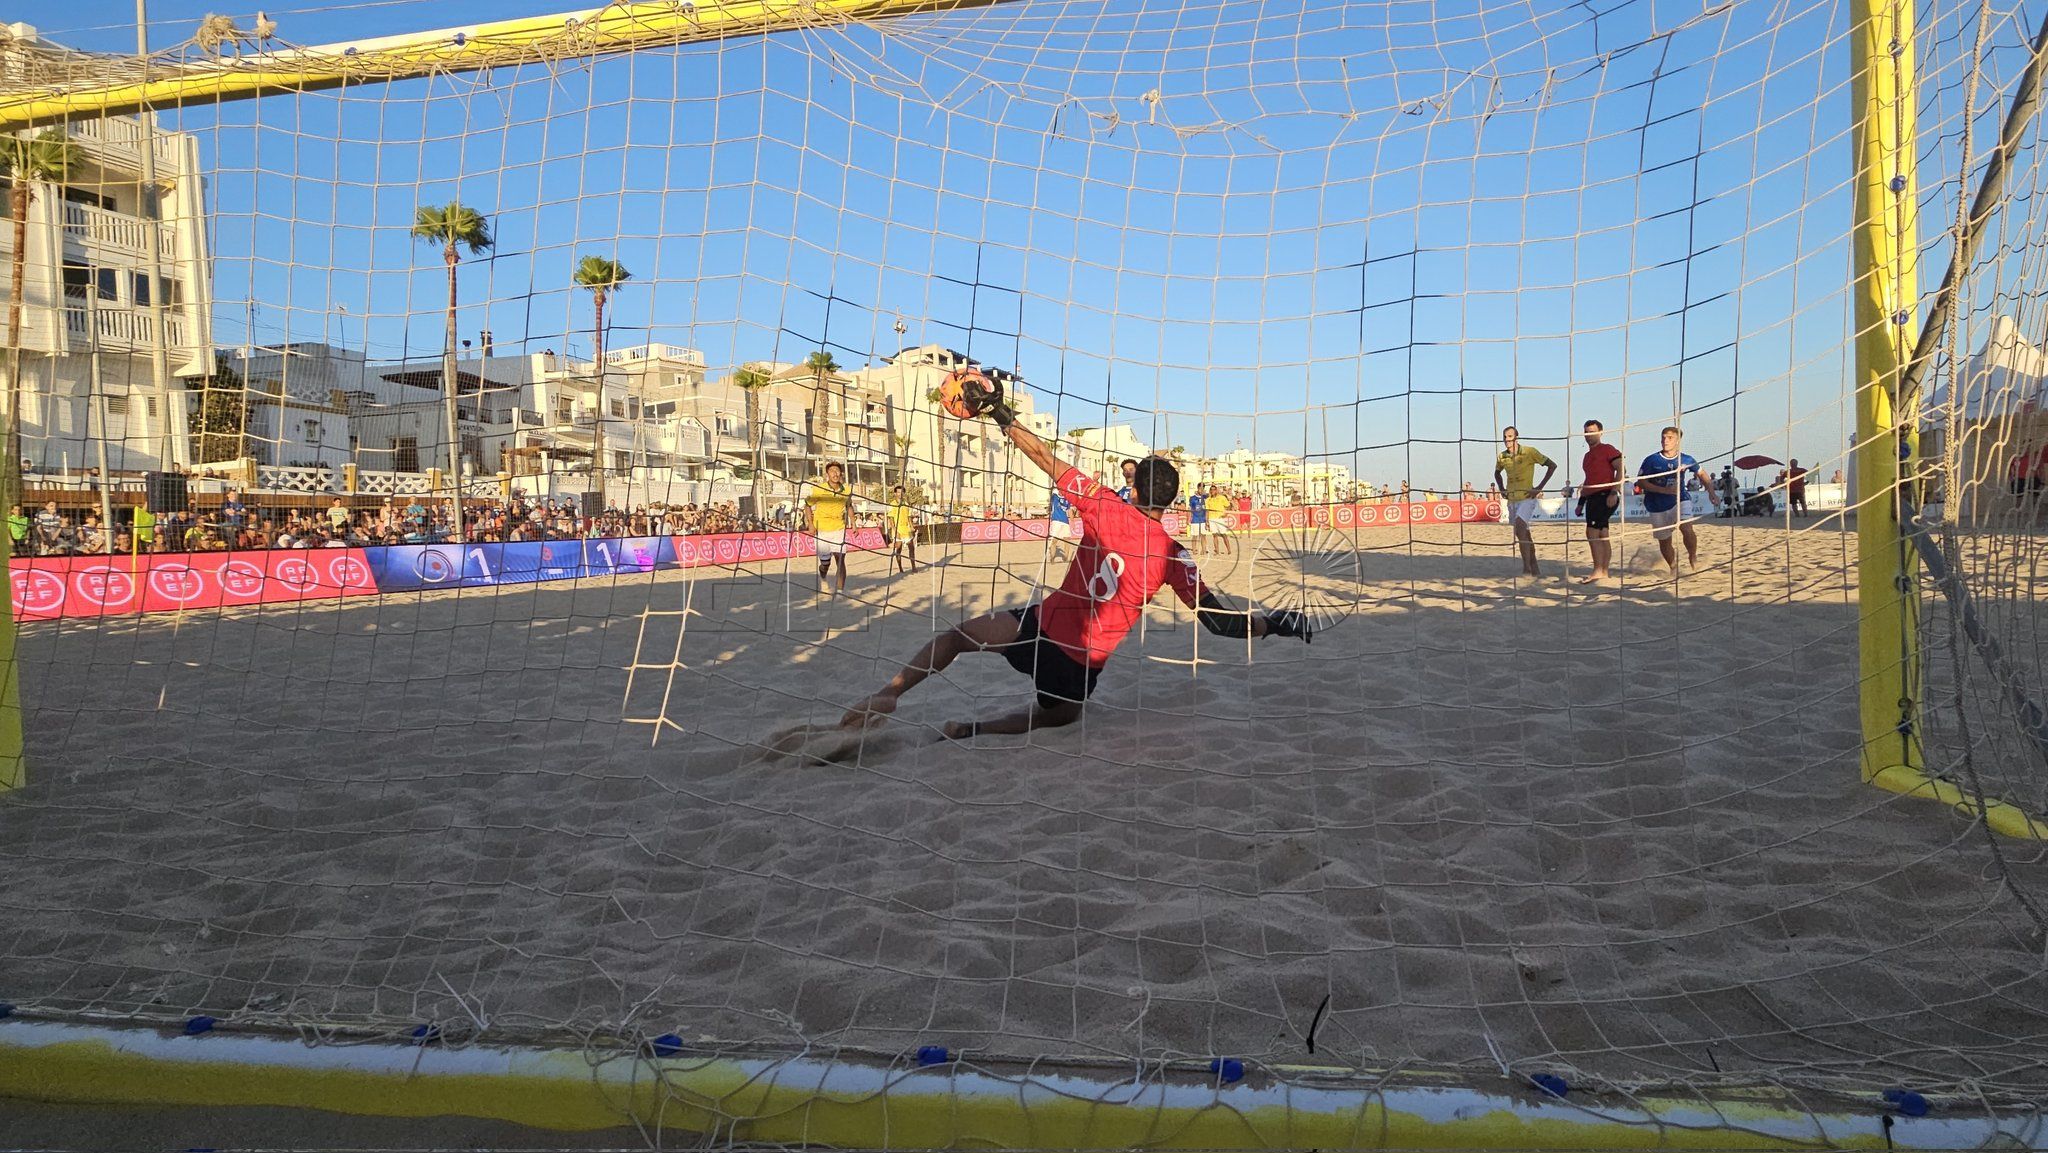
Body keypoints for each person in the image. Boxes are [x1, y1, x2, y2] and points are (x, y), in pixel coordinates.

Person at [841, 378, 1311, 739]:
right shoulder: (1175, 556)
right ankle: (972, 730)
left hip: (1039, 628)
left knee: (955, 638)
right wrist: (1275, 623)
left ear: (1135, 487)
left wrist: (999, 410)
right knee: (1059, 717)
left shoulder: (1106, 504)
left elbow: (1043, 456)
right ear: (1171, 501)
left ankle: (890, 693)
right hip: (1079, 666)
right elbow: (1220, 624)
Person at [1638, 425, 1721, 575]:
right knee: (1665, 541)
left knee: (1686, 528)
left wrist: (1711, 493)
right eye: (1663, 437)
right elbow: (1641, 482)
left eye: (1669, 438)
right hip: (1656, 504)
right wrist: (1663, 490)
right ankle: (1673, 567)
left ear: (1678, 441)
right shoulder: (1651, 460)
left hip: (1680, 499)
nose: (1665, 440)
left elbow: (1702, 474)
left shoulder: (1686, 459)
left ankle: (1693, 557)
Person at [1492, 426, 1556, 578]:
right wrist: (1501, 488)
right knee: (1524, 535)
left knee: (1521, 529)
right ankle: (1535, 568)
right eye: (1505, 437)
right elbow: (1497, 472)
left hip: (1527, 497)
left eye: (1510, 436)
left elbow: (1552, 465)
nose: (1507, 440)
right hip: (1512, 499)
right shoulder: (1502, 456)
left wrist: (1539, 488)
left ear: (1516, 437)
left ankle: (1526, 569)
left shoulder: (1529, 451)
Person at [1574, 419, 1624, 583]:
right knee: (1602, 534)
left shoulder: (1607, 449)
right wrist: (1581, 502)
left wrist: (1614, 492)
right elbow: (1588, 480)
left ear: (1600, 432)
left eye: (1592, 431)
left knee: (1592, 532)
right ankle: (1603, 571)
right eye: (1587, 432)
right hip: (1592, 496)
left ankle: (1598, 570)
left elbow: (1620, 469)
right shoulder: (1587, 456)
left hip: (1605, 494)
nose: (1589, 435)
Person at [805, 461, 853, 597]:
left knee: (840, 559)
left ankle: (839, 591)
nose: (835, 473)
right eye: (832, 471)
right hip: (822, 530)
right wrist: (810, 523)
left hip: (839, 529)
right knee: (825, 564)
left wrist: (853, 523)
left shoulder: (846, 490)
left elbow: (849, 506)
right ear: (827, 474)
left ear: (841, 473)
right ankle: (823, 578)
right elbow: (807, 505)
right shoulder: (819, 489)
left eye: (837, 471)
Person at [885, 484, 918, 574]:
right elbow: (891, 518)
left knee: (911, 547)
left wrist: (911, 527)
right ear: (895, 493)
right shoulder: (892, 504)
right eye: (898, 492)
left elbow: (909, 517)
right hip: (897, 529)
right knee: (898, 548)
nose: (900, 494)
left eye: (902, 492)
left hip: (906, 529)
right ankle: (900, 568)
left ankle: (913, 567)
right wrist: (895, 530)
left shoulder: (906, 504)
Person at [1205, 486, 1234, 555]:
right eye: (1211, 490)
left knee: (1224, 535)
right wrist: (1207, 521)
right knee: (1214, 535)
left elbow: (1229, 506)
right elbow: (1207, 511)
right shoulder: (1208, 500)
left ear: (1216, 490)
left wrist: (1226, 513)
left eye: (1214, 490)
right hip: (1212, 519)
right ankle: (1217, 551)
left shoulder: (1221, 497)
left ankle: (1229, 550)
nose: (1212, 491)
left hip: (1220, 518)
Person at [1185, 484, 1209, 554]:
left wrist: (1207, 520)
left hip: (1203, 519)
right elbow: (1189, 509)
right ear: (1197, 488)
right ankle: (1194, 550)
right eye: (1200, 489)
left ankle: (1203, 550)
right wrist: (1188, 518)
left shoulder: (1205, 498)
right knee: (1195, 536)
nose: (1201, 490)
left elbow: (1207, 510)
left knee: (1203, 536)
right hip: (1195, 519)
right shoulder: (1192, 498)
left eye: (1202, 489)